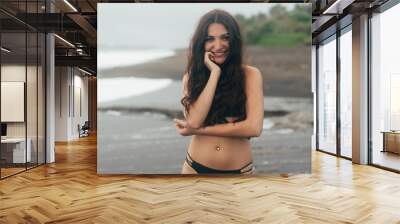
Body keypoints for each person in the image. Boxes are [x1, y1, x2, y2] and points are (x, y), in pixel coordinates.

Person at [174, 9, 264, 174]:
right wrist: (214, 74)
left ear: (234, 40)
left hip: (239, 173)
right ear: (202, 43)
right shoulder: (191, 77)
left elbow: (253, 128)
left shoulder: (250, 75)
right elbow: (194, 121)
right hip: (195, 169)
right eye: (210, 39)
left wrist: (198, 131)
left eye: (225, 38)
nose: (218, 45)